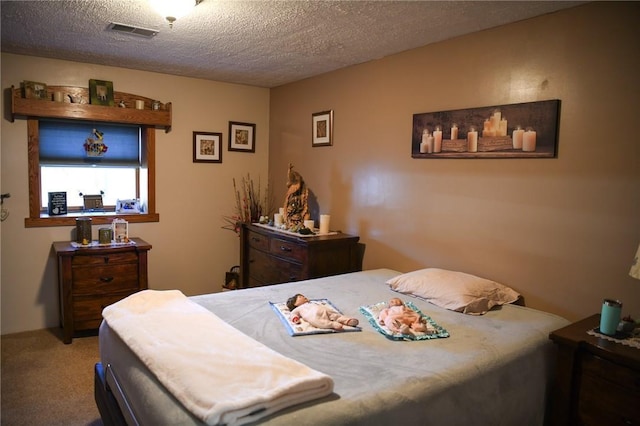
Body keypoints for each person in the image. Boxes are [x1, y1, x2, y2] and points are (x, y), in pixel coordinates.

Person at [286, 294, 358, 330]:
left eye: (304, 296)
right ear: (295, 303)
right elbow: (293, 314)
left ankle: (347, 320)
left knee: (334, 315)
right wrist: (295, 318)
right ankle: (332, 324)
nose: (304, 297)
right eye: (300, 297)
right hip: (313, 315)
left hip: (323, 310)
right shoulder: (298, 308)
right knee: (318, 322)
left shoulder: (311, 303)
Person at [282, 163, 309, 229]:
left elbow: (304, 207)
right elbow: (286, 207)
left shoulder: (302, 195)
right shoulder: (290, 196)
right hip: (291, 217)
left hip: (299, 218)